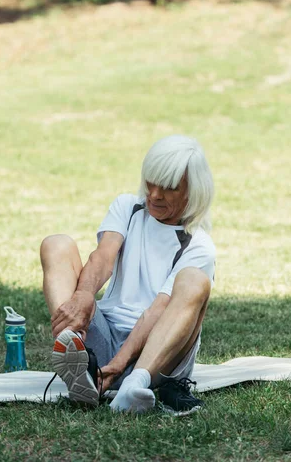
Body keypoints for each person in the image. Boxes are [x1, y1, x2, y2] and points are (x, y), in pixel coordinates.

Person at [40, 134, 215, 414]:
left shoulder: (199, 245)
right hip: (102, 340)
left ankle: (135, 385)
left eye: (169, 188)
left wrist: (122, 365)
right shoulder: (128, 207)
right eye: (151, 182)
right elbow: (103, 257)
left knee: (195, 280)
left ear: (193, 191)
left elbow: (157, 310)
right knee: (56, 244)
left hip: (156, 355)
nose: (155, 195)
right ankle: (78, 357)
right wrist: (84, 296)